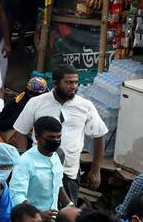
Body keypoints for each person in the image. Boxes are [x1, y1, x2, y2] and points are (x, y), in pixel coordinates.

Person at [11, 65, 108, 204]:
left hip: (69, 171)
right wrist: (24, 160)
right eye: (68, 82)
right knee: (37, 211)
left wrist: (96, 169)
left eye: (76, 82)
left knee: (67, 216)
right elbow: (20, 131)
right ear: (56, 83)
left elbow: (99, 135)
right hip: (38, 170)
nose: (73, 86)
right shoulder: (36, 102)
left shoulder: (85, 106)